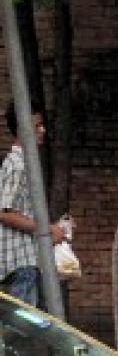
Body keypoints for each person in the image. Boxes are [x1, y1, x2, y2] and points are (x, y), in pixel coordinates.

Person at [0, 101, 65, 306]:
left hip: (24, 262)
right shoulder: (18, 165)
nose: (42, 130)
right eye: (36, 125)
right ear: (21, 129)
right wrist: (47, 229)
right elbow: (4, 212)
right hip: (19, 263)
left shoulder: (22, 164)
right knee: (20, 332)